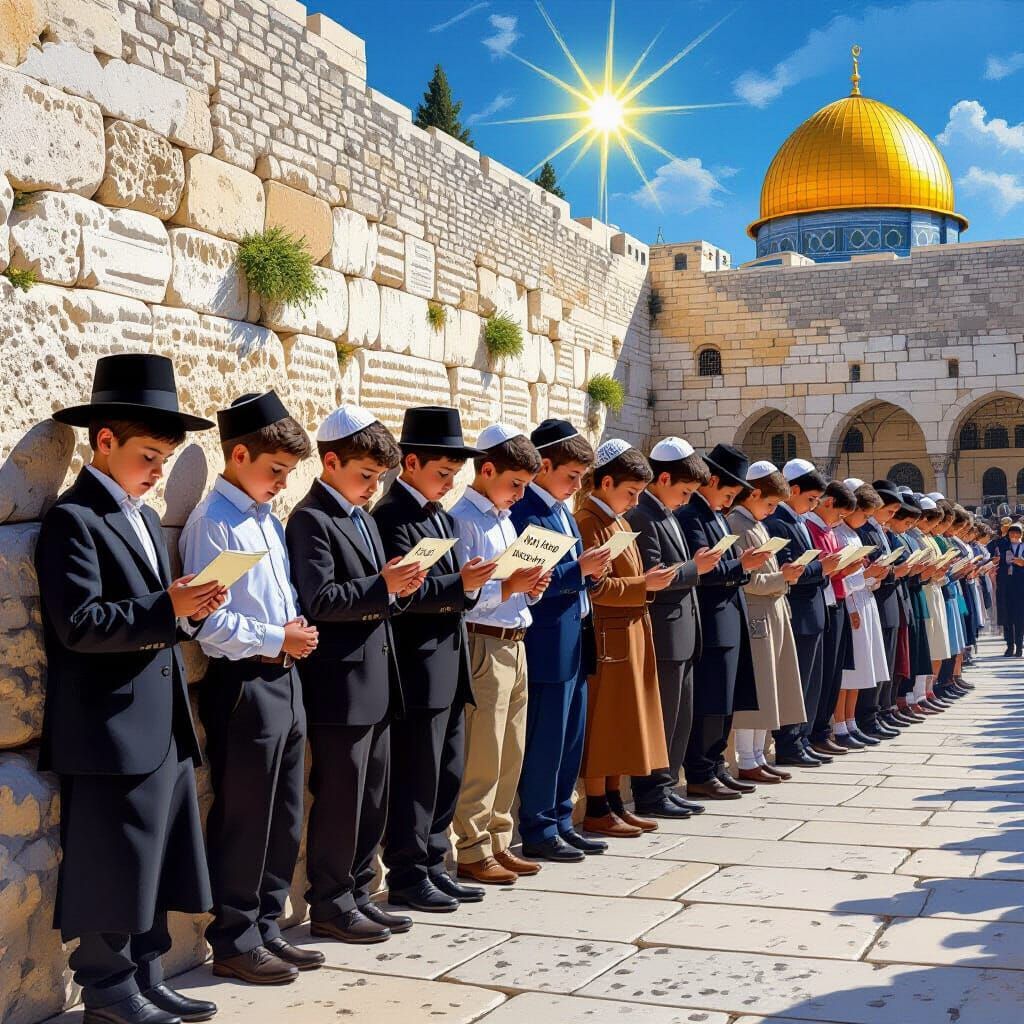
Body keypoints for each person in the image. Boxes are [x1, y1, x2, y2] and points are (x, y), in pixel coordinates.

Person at [37, 354, 225, 1024]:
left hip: (159, 721)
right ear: (105, 442)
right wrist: (168, 609)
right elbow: (80, 625)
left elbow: (159, 613)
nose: (158, 472)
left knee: (155, 862)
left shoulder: (144, 519)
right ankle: (108, 991)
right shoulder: (73, 520)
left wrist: (193, 607)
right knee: (112, 863)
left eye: (167, 459)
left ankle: (145, 976)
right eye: (149, 455)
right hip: (108, 728)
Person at [181, 391, 322, 984]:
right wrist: (276, 637)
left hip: (284, 682)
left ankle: (266, 925)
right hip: (245, 684)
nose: (282, 485)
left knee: (284, 814)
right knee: (246, 816)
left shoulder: (263, 518)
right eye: (275, 471)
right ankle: (234, 939)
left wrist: (288, 640)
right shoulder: (214, 523)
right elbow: (207, 625)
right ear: (238, 455)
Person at [286, 406, 425, 944]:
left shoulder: (363, 518)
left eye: (378, 479)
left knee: (372, 797)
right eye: (364, 475)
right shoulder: (311, 519)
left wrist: (397, 588)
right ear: (331, 461)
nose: (371, 488)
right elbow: (320, 599)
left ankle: (360, 891)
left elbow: (374, 595)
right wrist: (383, 586)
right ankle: (330, 903)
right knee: (341, 799)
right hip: (339, 688)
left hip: (377, 680)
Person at [371, 406, 496, 912]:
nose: (447, 484)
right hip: (417, 666)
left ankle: (433, 861)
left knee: (446, 772)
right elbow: (404, 592)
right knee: (417, 778)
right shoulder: (391, 516)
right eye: (441, 473)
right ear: (410, 464)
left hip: (449, 662)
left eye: (452, 475)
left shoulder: (437, 515)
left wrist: (470, 585)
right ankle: (406, 872)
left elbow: (441, 585)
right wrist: (459, 585)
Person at [450, 424, 550, 884]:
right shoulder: (463, 520)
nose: (519, 494)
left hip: (516, 639)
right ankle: (471, 846)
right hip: (483, 641)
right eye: (515, 484)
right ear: (486, 470)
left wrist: (529, 589)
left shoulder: (504, 518)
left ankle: (498, 840)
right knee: (484, 753)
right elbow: (465, 594)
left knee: (513, 749)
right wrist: (508, 587)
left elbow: (511, 588)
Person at [511, 419, 611, 860]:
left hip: (573, 634)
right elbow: (531, 581)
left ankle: (560, 817)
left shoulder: (558, 509)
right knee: (547, 739)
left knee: (571, 736)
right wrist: (580, 572)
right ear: (544, 465)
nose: (575, 486)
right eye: (570, 477)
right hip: (546, 640)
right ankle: (537, 826)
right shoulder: (524, 512)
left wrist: (590, 573)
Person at [574, 439, 676, 836]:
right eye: (630, 492)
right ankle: (598, 805)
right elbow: (596, 588)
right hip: (608, 635)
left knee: (624, 721)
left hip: (631, 629)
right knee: (606, 722)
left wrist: (645, 584)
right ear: (605, 482)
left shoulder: (618, 521)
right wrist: (643, 584)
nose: (634, 502)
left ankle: (616, 800)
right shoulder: (588, 521)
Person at [627, 437, 722, 817]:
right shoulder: (642, 515)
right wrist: (694, 568)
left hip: (684, 631)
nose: (685, 500)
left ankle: (667, 784)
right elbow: (653, 575)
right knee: (662, 717)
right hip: (664, 633)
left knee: (679, 717)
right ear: (662, 478)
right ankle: (651, 791)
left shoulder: (666, 512)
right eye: (683, 491)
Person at [677, 443, 773, 798]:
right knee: (709, 700)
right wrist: (741, 566)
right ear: (712, 481)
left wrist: (739, 566)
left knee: (726, 699)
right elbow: (703, 569)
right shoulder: (692, 516)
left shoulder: (716, 514)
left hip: (731, 615)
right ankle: (701, 770)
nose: (729, 501)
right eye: (728, 493)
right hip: (712, 617)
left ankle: (716, 764)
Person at [726, 461, 806, 783]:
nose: (772, 511)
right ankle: (747, 757)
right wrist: (781, 578)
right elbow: (745, 580)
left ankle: (759, 754)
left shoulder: (755, 524)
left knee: (770, 688)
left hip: (772, 611)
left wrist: (783, 578)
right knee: (756, 690)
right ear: (754, 493)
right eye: (770, 504)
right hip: (756, 614)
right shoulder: (737, 524)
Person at [766, 459, 845, 768]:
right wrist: (821, 568)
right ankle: (789, 741)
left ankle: (802, 737)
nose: (814, 505)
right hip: (798, 612)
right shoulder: (779, 523)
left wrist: (823, 569)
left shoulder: (797, 520)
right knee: (796, 683)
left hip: (813, 611)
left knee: (810, 683)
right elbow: (788, 570)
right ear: (793, 490)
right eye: (811, 499)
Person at [831, 481, 892, 750]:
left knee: (863, 667)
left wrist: (874, 577)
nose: (866, 520)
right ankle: (839, 723)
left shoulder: (855, 535)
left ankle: (851, 721)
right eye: (865, 515)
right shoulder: (840, 534)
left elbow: (860, 577)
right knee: (848, 672)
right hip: (851, 604)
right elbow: (841, 578)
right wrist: (865, 577)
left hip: (865, 599)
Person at [804, 480, 857, 755]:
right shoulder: (810, 526)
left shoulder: (827, 528)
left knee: (834, 670)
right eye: (839, 514)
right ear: (828, 503)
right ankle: (816, 731)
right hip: (823, 600)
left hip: (837, 598)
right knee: (822, 673)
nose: (840, 521)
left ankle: (823, 727)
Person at [854, 481, 906, 739]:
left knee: (885, 658)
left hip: (884, 597)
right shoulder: (864, 529)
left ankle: (880, 709)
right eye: (890, 510)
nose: (893, 516)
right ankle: (868, 714)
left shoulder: (879, 530)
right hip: (874, 594)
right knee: (874, 659)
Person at [1003, 522, 1024, 656]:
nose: (1014, 535)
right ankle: (1009, 645)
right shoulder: (1004, 546)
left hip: (1021, 586)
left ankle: (1019, 646)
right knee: (1007, 617)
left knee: (1020, 617)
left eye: (1017, 532)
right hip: (1007, 585)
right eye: (1012, 533)